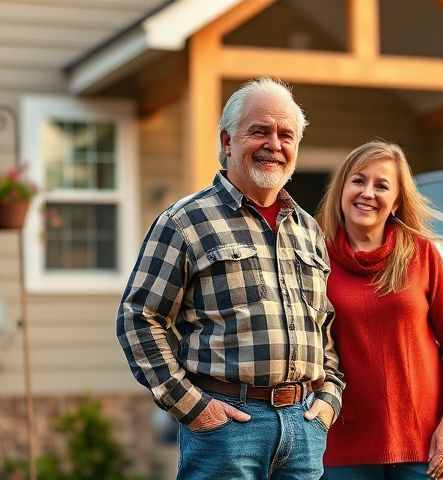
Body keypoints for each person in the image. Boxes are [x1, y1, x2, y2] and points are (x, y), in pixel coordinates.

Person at [117, 77, 344, 480]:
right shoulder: (184, 221)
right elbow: (139, 317)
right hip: (227, 428)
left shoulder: (308, 230)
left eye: (286, 135)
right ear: (227, 141)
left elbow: (324, 327)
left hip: (304, 423)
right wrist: (191, 406)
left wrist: (328, 400)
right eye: (259, 131)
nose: (274, 144)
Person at [316, 141, 443, 479]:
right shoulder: (316, 258)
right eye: (358, 180)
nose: (367, 192)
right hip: (342, 444)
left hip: (423, 443)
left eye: (382, 185)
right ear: (342, 188)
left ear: (397, 202)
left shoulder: (421, 253)